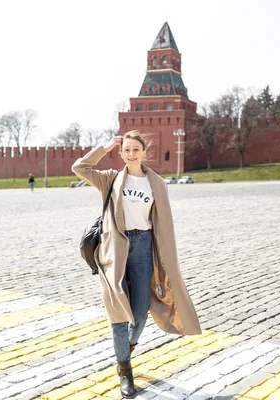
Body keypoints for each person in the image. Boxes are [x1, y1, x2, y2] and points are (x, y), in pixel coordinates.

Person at [72, 130, 201, 398]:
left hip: (143, 246)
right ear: (121, 154)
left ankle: (127, 347)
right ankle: (124, 368)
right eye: (126, 150)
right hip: (114, 248)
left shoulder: (156, 183)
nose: (130, 154)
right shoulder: (109, 179)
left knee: (140, 314)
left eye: (135, 149)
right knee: (119, 312)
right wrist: (104, 149)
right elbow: (79, 167)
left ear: (144, 152)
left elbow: (161, 223)